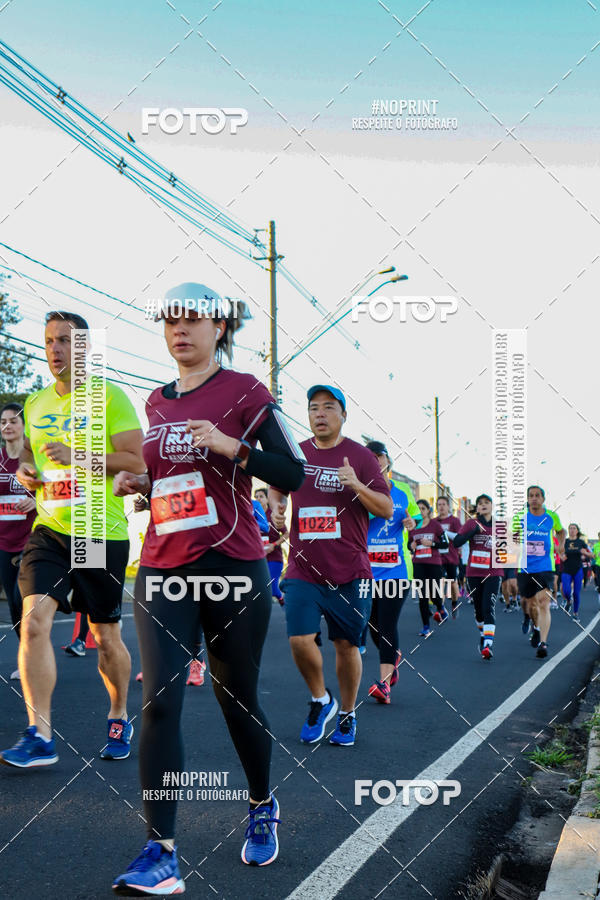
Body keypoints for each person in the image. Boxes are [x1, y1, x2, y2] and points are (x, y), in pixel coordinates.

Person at [112, 284, 304, 893]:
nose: (180, 329)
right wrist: (141, 487)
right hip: (162, 568)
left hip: (233, 568)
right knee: (159, 701)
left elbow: (293, 472)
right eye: (171, 319)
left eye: (193, 319)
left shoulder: (246, 391)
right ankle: (160, 851)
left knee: (235, 698)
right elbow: (173, 482)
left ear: (219, 328)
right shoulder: (155, 400)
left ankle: (261, 802)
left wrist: (232, 446)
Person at [0, 312, 144, 769]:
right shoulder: (36, 403)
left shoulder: (110, 397)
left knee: (105, 636)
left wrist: (79, 454)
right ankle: (40, 735)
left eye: (65, 340)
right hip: (50, 529)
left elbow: (135, 462)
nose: (55, 349)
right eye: (49, 341)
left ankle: (118, 714)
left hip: (97, 531)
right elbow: (30, 458)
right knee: (33, 622)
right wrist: (28, 472)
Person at [270, 385, 392, 748]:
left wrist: (356, 484)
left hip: (350, 571)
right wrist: (277, 507)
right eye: (313, 408)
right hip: (303, 569)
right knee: (299, 639)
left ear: (343, 415)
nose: (320, 413)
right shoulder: (296, 454)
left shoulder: (361, 457)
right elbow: (277, 487)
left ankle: (348, 713)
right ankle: (321, 699)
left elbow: (385, 508)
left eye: (328, 407)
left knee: (346, 646)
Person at [362, 440, 418, 704]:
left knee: (387, 624)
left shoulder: (403, 490)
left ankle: (384, 685)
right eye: (370, 456)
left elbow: (416, 516)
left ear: (387, 460)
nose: (375, 460)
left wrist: (411, 521)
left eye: (379, 456)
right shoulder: (360, 490)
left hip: (397, 569)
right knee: (370, 623)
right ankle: (393, 656)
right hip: (366, 569)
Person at [0, 403, 37, 680]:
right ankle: (28, 657)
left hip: (32, 539)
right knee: (13, 606)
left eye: (13, 421)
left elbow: (53, 490)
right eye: (3, 422)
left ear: (24, 426)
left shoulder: (33, 459)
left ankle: (33, 660)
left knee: (20, 598)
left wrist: (36, 500)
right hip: (4, 541)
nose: (7, 426)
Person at [513, 485, 565, 659]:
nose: (534, 498)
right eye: (531, 495)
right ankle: (535, 627)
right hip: (525, 567)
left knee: (543, 603)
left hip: (546, 566)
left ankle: (543, 642)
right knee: (530, 604)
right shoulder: (519, 517)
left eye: (537, 495)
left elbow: (561, 531)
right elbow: (511, 535)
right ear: (528, 499)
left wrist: (561, 544)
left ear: (543, 499)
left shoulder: (551, 516)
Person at [453, 494, 503, 659]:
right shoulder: (471, 523)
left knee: (488, 607)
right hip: (474, 573)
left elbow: (507, 549)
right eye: (480, 503)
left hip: (493, 573)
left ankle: (488, 644)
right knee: (479, 610)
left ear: (492, 506)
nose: (483, 505)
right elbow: (457, 542)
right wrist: (473, 531)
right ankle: (483, 634)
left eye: (487, 502)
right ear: (477, 507)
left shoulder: (500, 526)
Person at [409, 500, 448, 636]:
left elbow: (445, 544)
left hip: (434, 564)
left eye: (423, 508)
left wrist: (432, 544)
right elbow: (409, 545)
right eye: (418, 508)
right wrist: (411, 546)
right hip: (418, 564)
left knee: (434, 594)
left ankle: (440, 607)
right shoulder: (413, 527)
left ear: (428, 511)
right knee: (423, 596)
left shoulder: (435, 525)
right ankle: (426, 627)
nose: (420, 511)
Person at [255, 486, 287, 605]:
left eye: (261, 496)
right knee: (259, 587)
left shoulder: (273, 515)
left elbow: (287, 534)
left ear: (267, 499)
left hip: (274, 557)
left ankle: (282, 599)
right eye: (256, 497)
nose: (258, 499)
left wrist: (273, 545)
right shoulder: (252, 515)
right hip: (258, 557)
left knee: (272, 588)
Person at [434, 496, 462, 618]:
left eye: (443, 504)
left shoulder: (454, 521)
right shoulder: (433, 522)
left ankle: (455, 602)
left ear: (448, 506)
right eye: (439, 504)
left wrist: (445, 533)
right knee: (440, 583)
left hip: (451, 557)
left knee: (452, 583)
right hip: (437, 558)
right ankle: (441, 610)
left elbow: (459, 537)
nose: (441, 507)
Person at [561, 523, 592, 622]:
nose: (572, 530)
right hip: (566, 569)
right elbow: (560, 552)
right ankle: (568, 601)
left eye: (574, 528)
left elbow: (591, 554)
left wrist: (585, 553)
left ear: (577, 531)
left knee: (576, 593)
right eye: (570, 528)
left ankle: (575, 614)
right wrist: (562, 556)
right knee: (566, 590)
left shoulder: (581, 542)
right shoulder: (565, 541)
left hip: (578, 569)